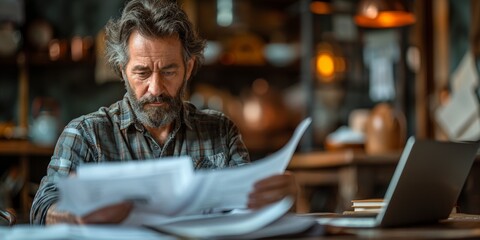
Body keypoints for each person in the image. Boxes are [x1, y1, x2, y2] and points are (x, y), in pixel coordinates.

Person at [31, 0, 297, 225]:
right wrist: (76, 214)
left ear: (189, 68)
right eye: (142, 73)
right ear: (123, 70)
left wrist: (277, 199)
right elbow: (43, 207)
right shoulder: (86, 134)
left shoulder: (220, 131)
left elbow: (249, 208)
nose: (155, 88)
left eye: (169, 71)